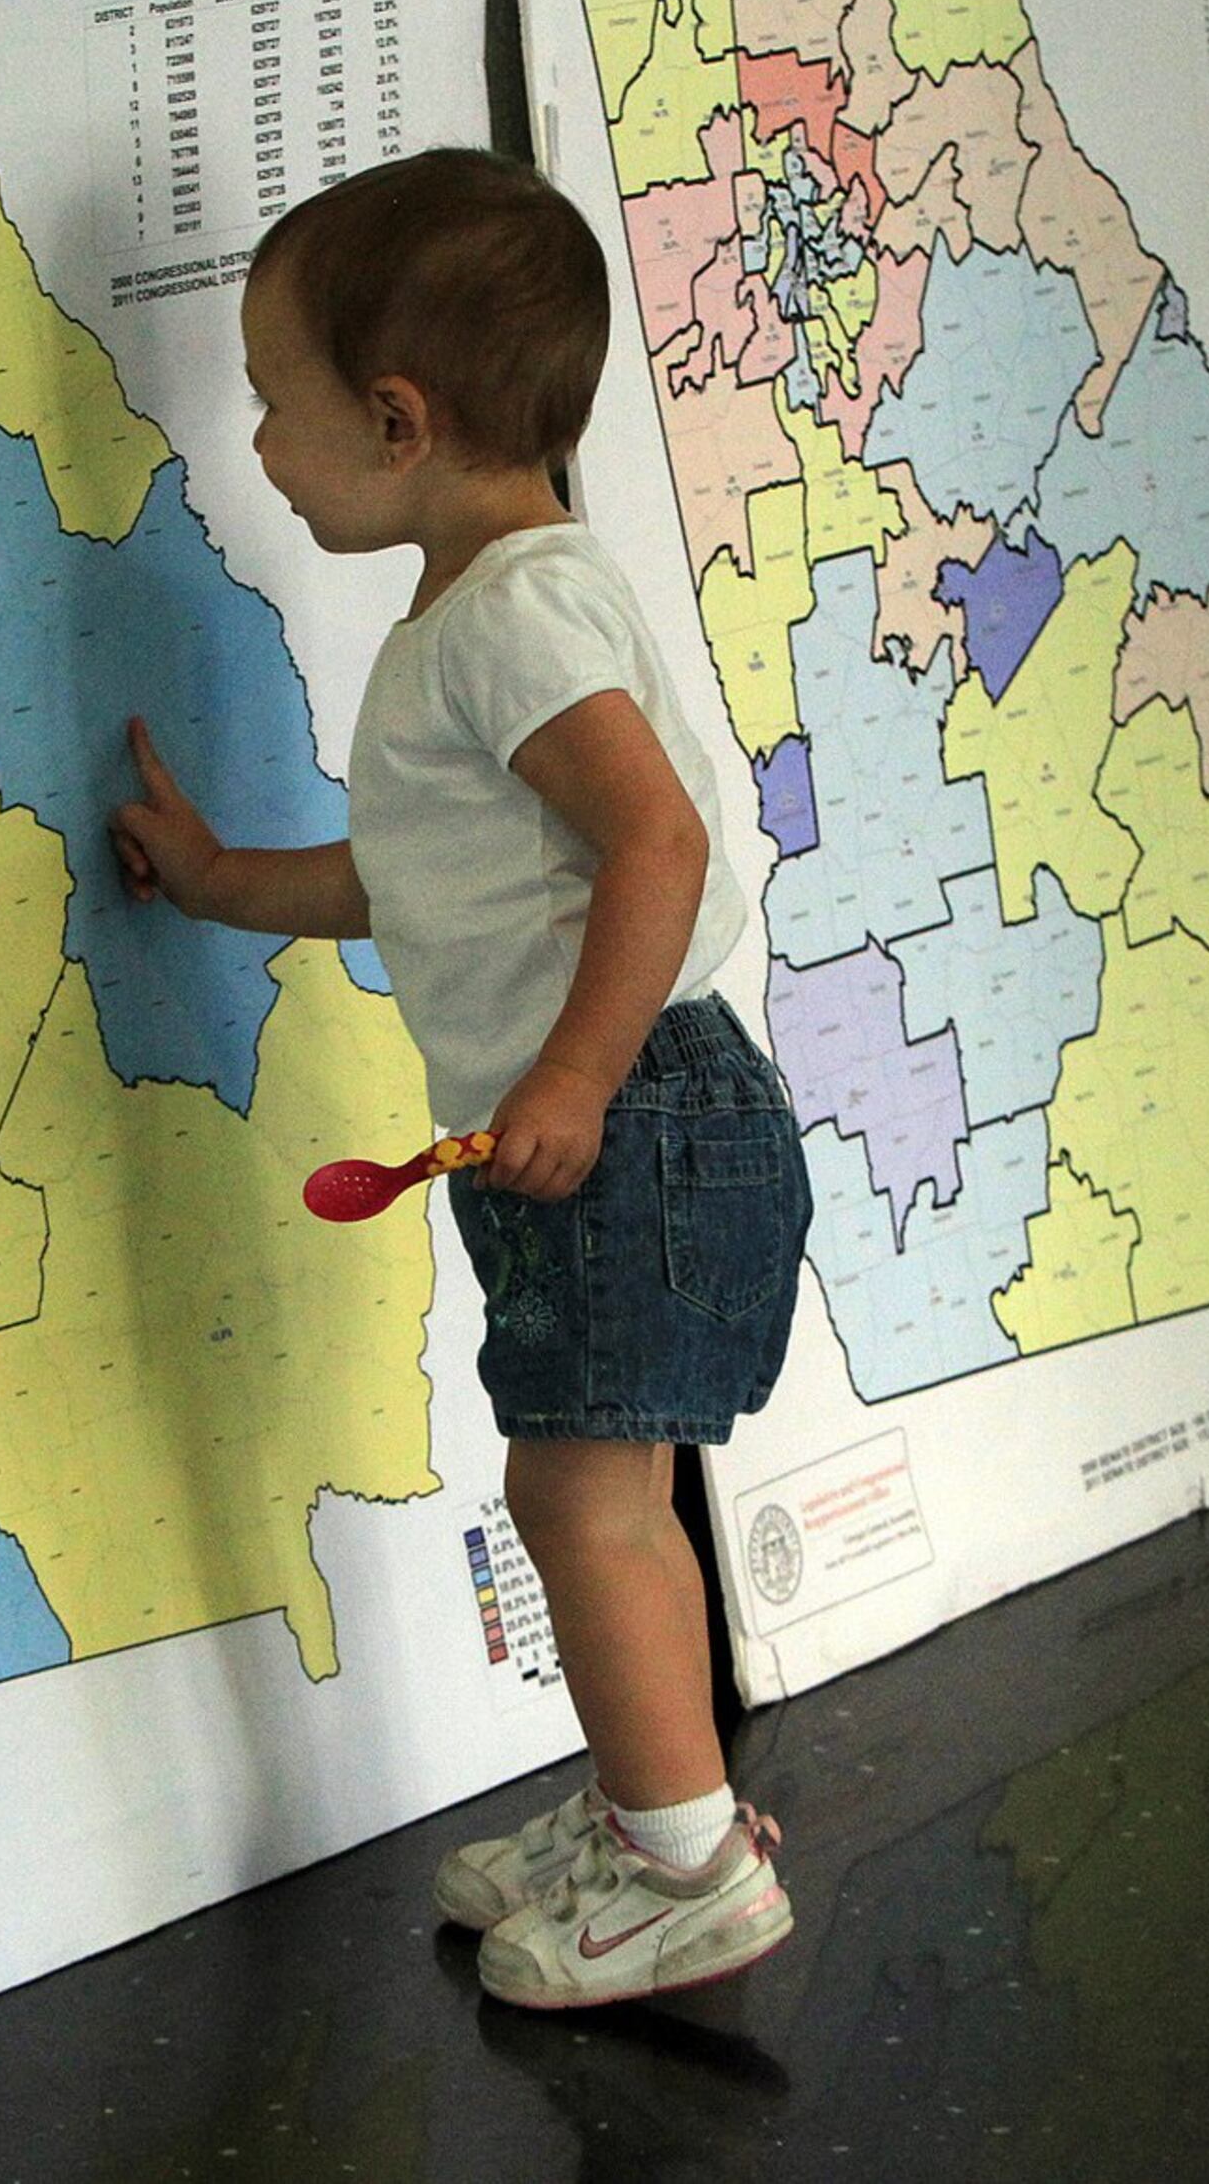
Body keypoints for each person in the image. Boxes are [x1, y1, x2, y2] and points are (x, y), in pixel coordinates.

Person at [112, 147, 810, 2009]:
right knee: (614, 1485)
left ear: (398, 421)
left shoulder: (501, 621)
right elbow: (407, 882)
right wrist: (217, 884)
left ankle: (685, 1866)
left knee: (575, 1498)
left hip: (630, 1116)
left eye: (280, 404)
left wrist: (574, 1081)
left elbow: (652, 846)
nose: (261, 443)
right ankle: (655, 1812)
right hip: (650, 1111)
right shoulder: (499, 610)